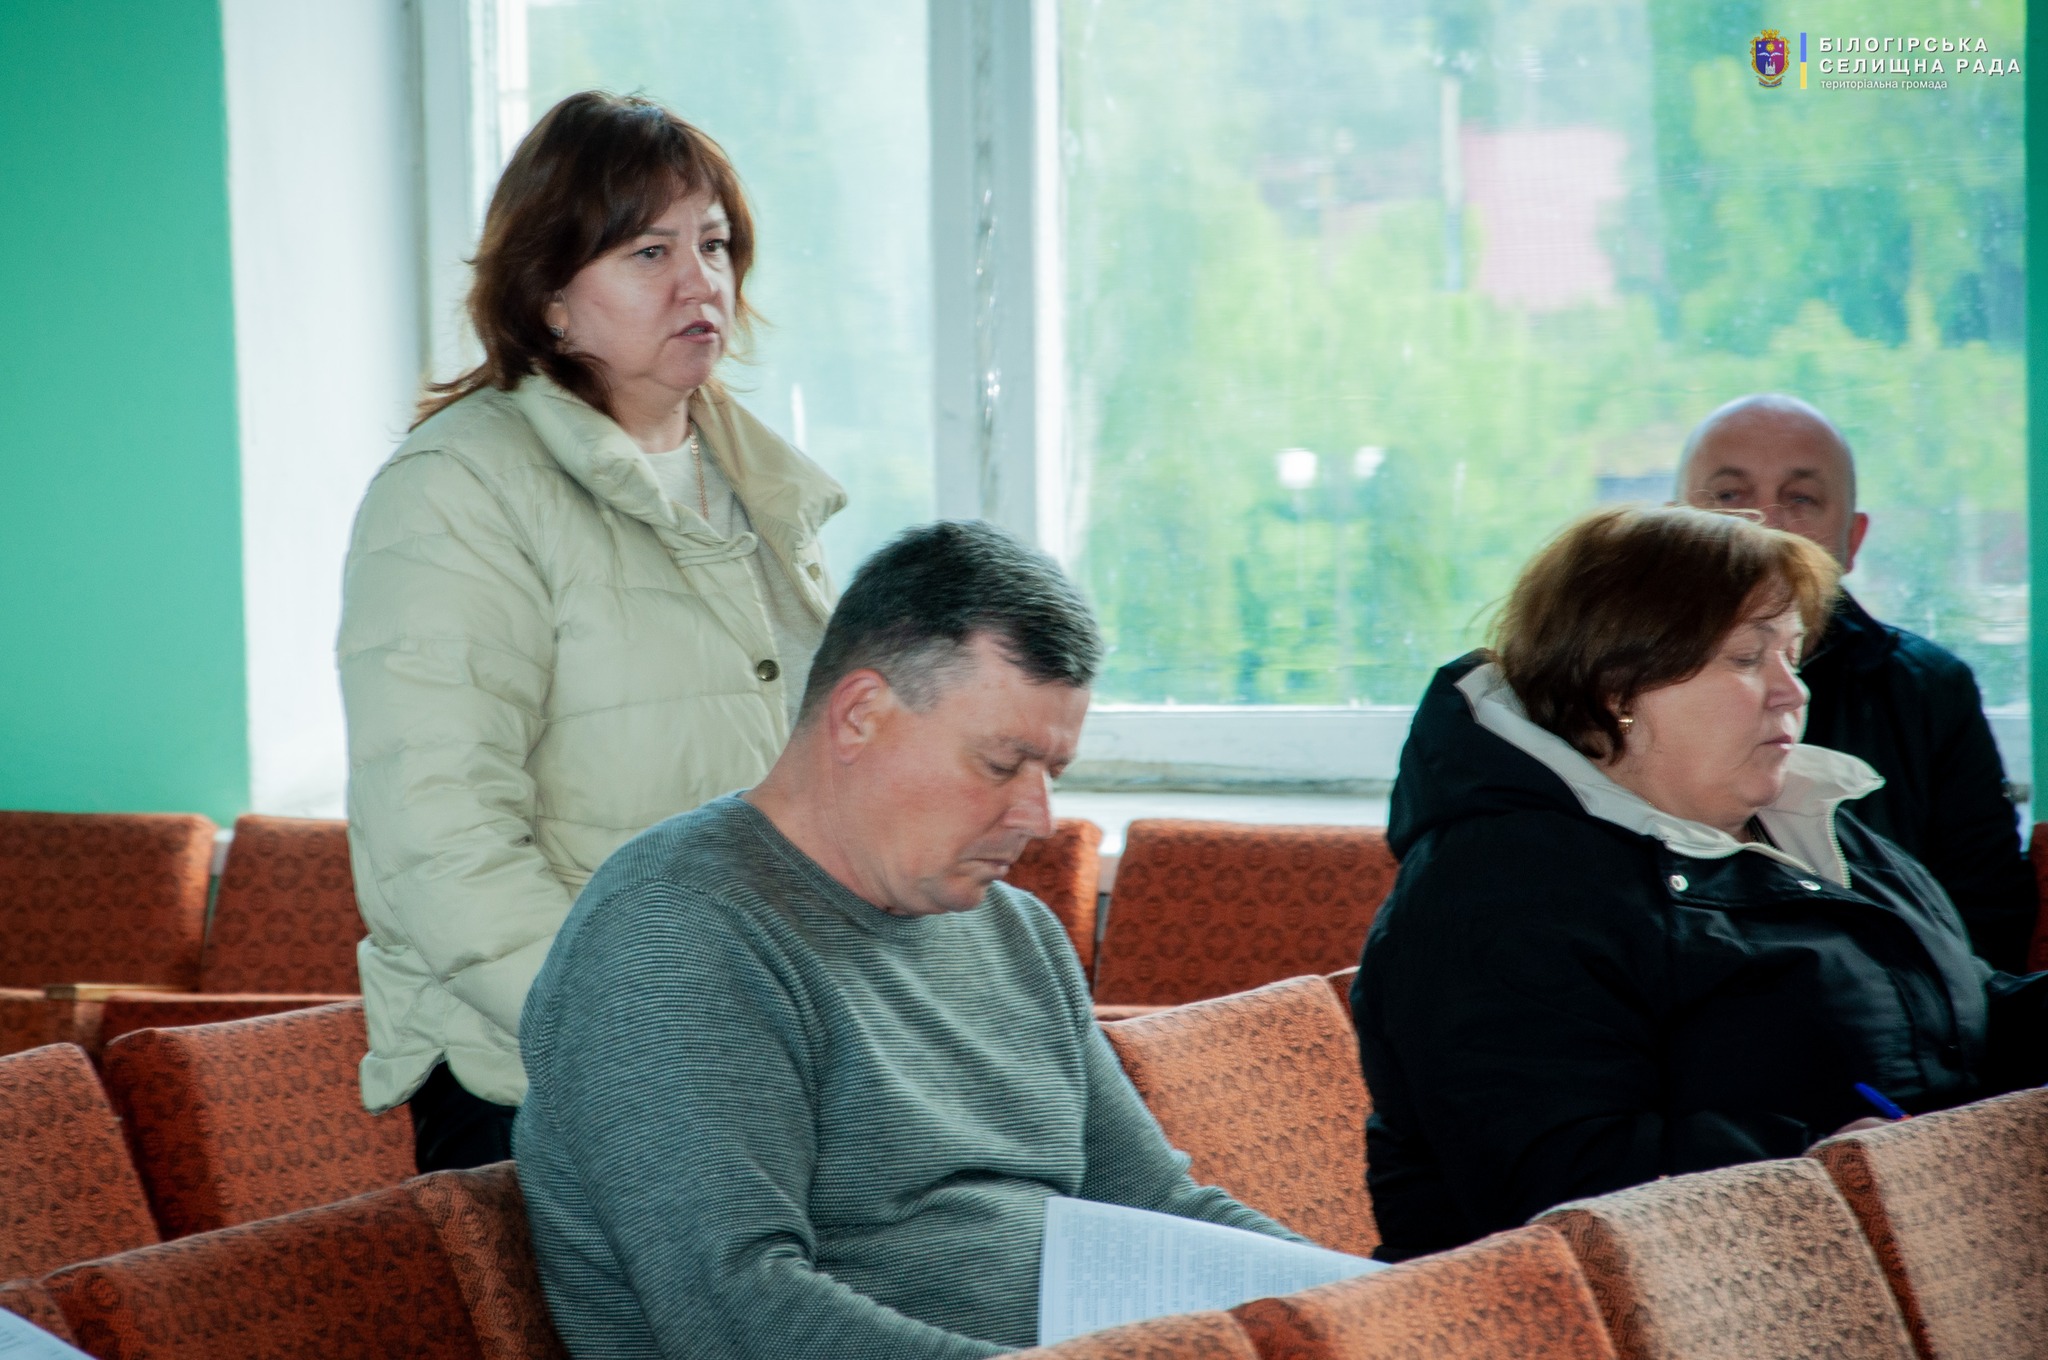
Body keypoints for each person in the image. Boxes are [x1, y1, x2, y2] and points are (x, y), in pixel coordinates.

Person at [514, 520, 1300, 1359]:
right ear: (860, 715)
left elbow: (1157, 1205)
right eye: (1001, 764)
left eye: (1053, 773)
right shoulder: (676, 930)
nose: (1039, 817)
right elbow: (737, 1312)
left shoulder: (1016, 931)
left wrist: (1365, 1304)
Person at [338, 91, 845, 1172]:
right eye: (650, 251)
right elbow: (439, 833)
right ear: (549, 296)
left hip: (757, 1047)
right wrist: (632, 1035)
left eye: (714, 244)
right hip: (546, 1071)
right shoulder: (457, 489)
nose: (700, 282)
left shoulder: (757, 482)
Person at [1352, 506, 2048, 1261]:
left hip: (1916, 1249)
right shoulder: (1497, 892)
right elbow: (1560, 1188)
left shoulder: (1804, 821)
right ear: (1619, 685)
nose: (1792, 692)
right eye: (1748, 658)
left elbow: (1960, 1018)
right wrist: (1828, 1169)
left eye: (1792, 655)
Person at [1678, 393, 2035, 969]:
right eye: (1728, 497)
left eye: (1800, 499)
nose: (1765, 524)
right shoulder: (1614, 684)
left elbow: (1986, 918)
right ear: (1669, 527)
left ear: (1853, 539)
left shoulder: (1929, 692)